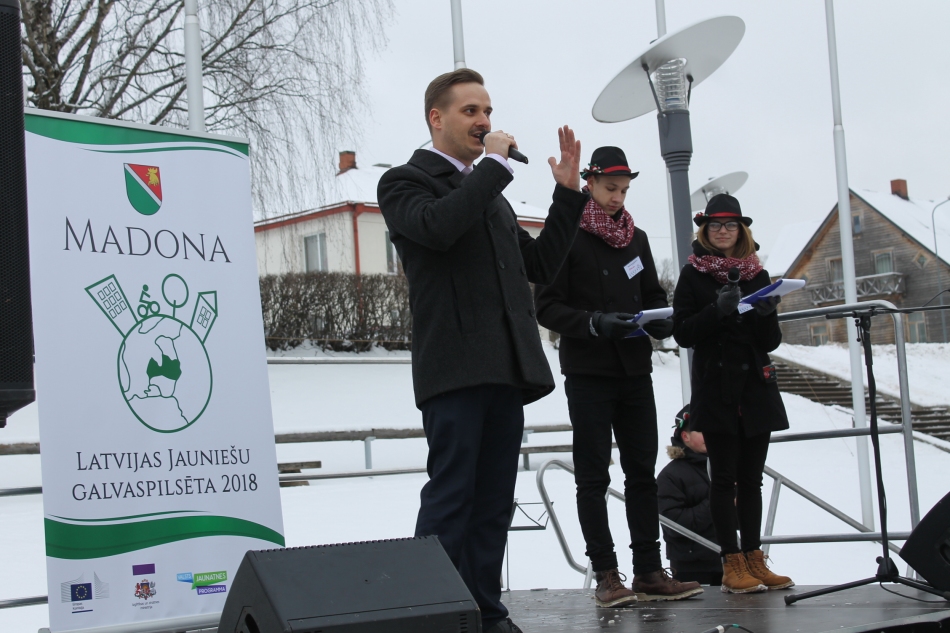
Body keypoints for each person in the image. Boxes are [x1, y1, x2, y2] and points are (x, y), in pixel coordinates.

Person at [376, 68, 587, 633]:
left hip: (504, 368)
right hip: (454, 367)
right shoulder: (404, 182)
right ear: (436, 118)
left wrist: (568, 196)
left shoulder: (488, 192)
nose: (485, 120)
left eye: (488, 111)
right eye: (470, 110)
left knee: (494, 504)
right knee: (452, 499)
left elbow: (538, 265)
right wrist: (493, 166)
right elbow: (437, 228)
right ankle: (433, 618)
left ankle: (486, 614)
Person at [535, 147, 702, 608]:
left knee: (642, 475)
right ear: (589, 183)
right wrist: (593, 322)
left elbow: (651, 295)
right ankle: (607, 574)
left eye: (624, 190)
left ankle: (649, 570)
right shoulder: (566, 234)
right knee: (592, 476)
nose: (617, 197)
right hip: (588, 372)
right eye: (611, 188)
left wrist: (661, 321)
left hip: (634, 371)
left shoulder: (637, 238)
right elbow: (546, 307)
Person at [671, 193, 795, 594]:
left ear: (741, 230)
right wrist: (718, 310)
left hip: (755, 388)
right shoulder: (692, 275)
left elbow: (770, 341)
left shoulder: (758, 274)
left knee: (752, 480)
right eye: (714, 225)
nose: (722, 231)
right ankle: (732, 562)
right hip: (716, 388)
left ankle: (755, 558)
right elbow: (682, 332)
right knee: (724, 479)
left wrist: (766, 314)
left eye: (730, 225)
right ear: (704, 231)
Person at [657, 405, 723, 586]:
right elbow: (674, 525)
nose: (710, 434)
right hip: (692, 568)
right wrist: (718, 501)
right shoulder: (670, 476)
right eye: (702, 430)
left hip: (730, 561)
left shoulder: (722, 468)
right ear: (685, 436)